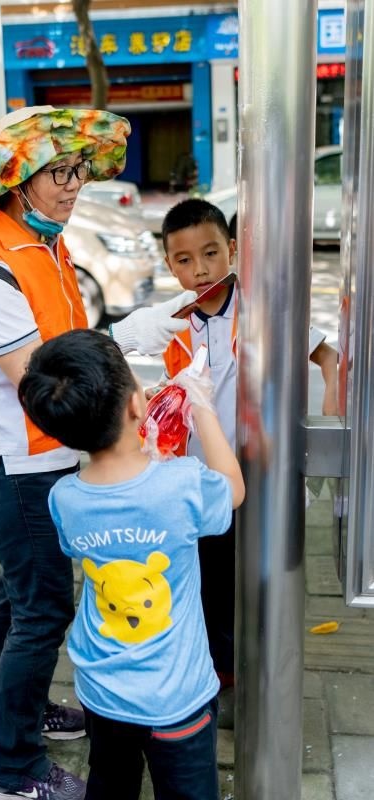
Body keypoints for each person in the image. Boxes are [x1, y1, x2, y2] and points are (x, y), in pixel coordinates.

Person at [0, 105, 198, 800]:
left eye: (79, 170)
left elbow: (67, 344)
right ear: (16, 176)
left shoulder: (40, 243)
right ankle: (13, 772)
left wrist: (127, 362)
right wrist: (128, 352)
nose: (74, 184)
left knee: (21, 596)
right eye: (59, 171)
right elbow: (47, 382)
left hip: (42, 458)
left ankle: (22, 714)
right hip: (13, 465)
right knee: (43, 608)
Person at [18, 328, 244, 800]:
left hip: (102, 689)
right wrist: (201, 406)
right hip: (177, 697)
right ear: (137, 404)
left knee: (111, 783)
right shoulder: (182, 484)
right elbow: (233, 488)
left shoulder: (64, 497)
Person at [160, 198, 339, 724]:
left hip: (261, 473)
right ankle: (222, 673)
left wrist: (331, 403)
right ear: (170, 265)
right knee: (210, 576)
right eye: (185, 260)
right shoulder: (170, 323)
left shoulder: (260, 308)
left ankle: (260, 671)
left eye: (211, 253)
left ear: (232, 249)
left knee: (259, 577)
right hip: (203, 481)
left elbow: (326, 355)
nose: (200, 269)